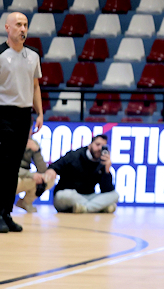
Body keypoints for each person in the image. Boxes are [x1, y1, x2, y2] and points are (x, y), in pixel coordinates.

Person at [0, 12, 43, 233]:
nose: (23, 29)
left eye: (25, 25)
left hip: (24, 114)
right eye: (18, 25)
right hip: (3, 114)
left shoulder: (33, 55)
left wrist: (40, 113)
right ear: (7, 28)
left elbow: (35, 86)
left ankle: (6, 213)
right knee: (3, 165)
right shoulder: (0, 54)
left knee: (14, 167)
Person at [49, 133, 118, 213]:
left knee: (115, 195)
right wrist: (51, 172)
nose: (99, 148)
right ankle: (98, 207)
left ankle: (84, 208)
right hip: (70, 195)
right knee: (64, 195)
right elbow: (54, 167)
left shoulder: (102, 163)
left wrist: (107, 170)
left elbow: (106, 190)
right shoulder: (74, 156)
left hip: (87, 196)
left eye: (103, 146)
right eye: (97, 144)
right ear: (90, 145)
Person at [16, 137, 55, 213]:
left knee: (48, 179)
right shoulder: (7, 138)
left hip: (25, 176)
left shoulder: (32, 143)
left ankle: (26, 202)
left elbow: (43, 170)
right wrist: (30, 175)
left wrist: (37, 151)